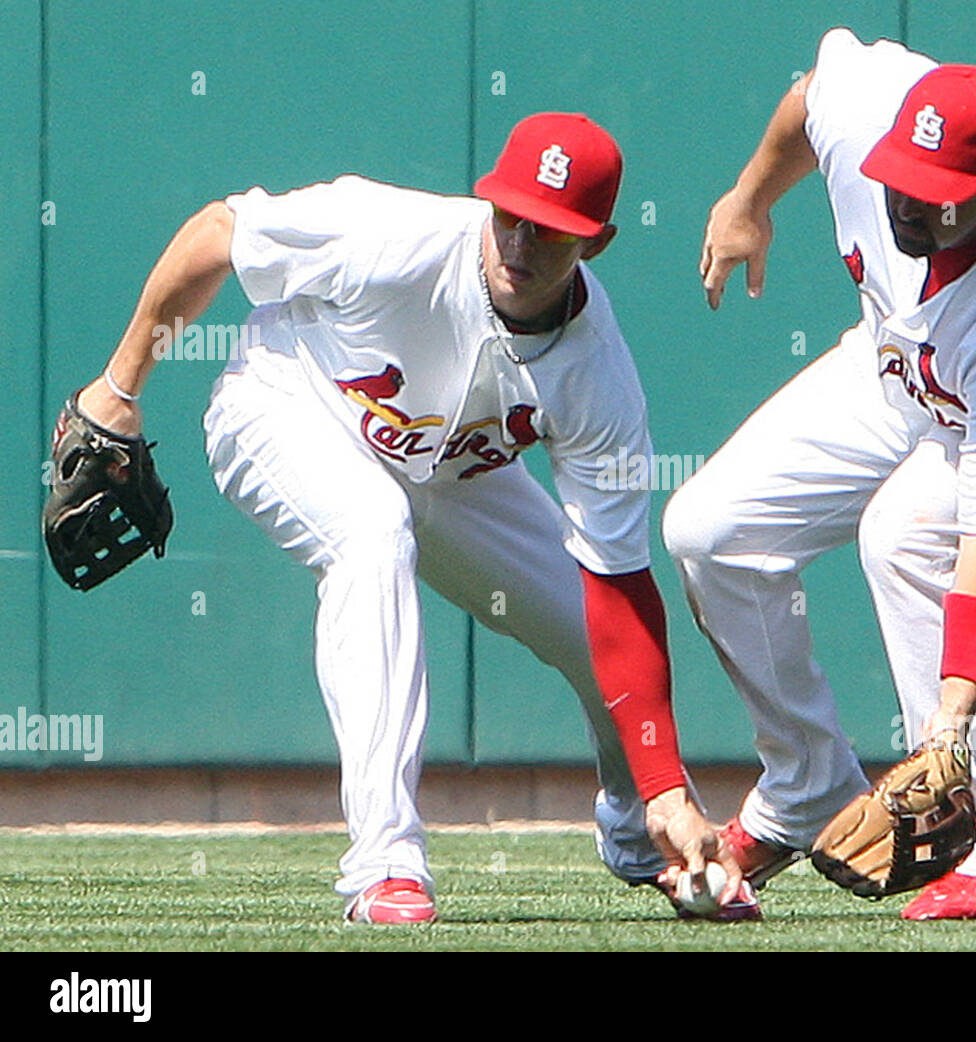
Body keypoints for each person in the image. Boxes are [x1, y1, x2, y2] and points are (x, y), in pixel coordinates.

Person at [72, 112, 750, 923]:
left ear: (595, 244)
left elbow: (620, 586)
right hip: (287, 404)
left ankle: (648, 834)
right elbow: (219, 231)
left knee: (583, 623)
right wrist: (119, 387)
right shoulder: (389, 236)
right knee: (371, 533)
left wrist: (664, 781)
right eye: (510, 217)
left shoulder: (598, 374)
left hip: (450, 468)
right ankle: (384, 865)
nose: (520, 246)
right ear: (487, 203)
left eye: (551, 232)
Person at [664, 29, 976, 919]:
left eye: (937, 199)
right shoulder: (873, 112)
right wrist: (748, 199)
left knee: (905, 533)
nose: (908, 204)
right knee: (709, 530)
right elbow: (811, 97)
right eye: (902, 179)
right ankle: (806, 784)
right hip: (904, 353)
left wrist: (950, 728)